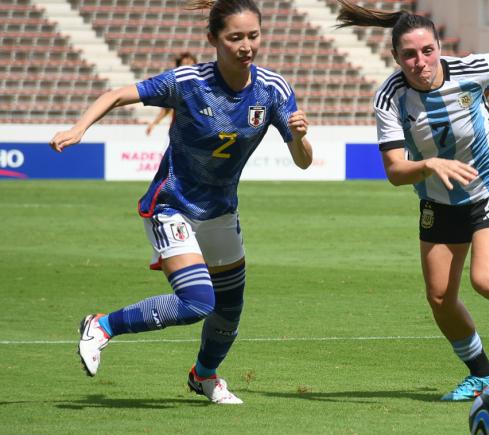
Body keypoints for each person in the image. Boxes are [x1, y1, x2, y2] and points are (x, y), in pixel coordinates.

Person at [49, 0, 313, 405]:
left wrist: (298, 135)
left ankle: (203, 377)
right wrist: (79, 126)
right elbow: (119, 94)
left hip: (221, 212)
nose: (246, 46)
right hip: (172, 204)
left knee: (229, 310)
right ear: (213, 39)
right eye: (235, 37)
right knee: (197, 301)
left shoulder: (272, 90)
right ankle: (102, 325)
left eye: (253, 36)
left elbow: (303, 161)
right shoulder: (188, 81)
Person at [335, 0, 489, 402]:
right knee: (440, 298)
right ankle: (482, 375)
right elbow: (394, 170)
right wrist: (429, 165)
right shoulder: (390, 99)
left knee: (487, 280)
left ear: (439, 47)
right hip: (438, 199)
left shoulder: (472, 69)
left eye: (427, 51)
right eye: (409, 54)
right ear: (395, 56)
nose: (420, 62)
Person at [145, 52, 198, 135]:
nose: (188, 67)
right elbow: (166, 110)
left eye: (191, 64)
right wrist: (154, 123)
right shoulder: (176, 87)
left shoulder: (203, 85)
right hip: (179, 133)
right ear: (179, 68)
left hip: (199, 132)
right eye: (185, 65)